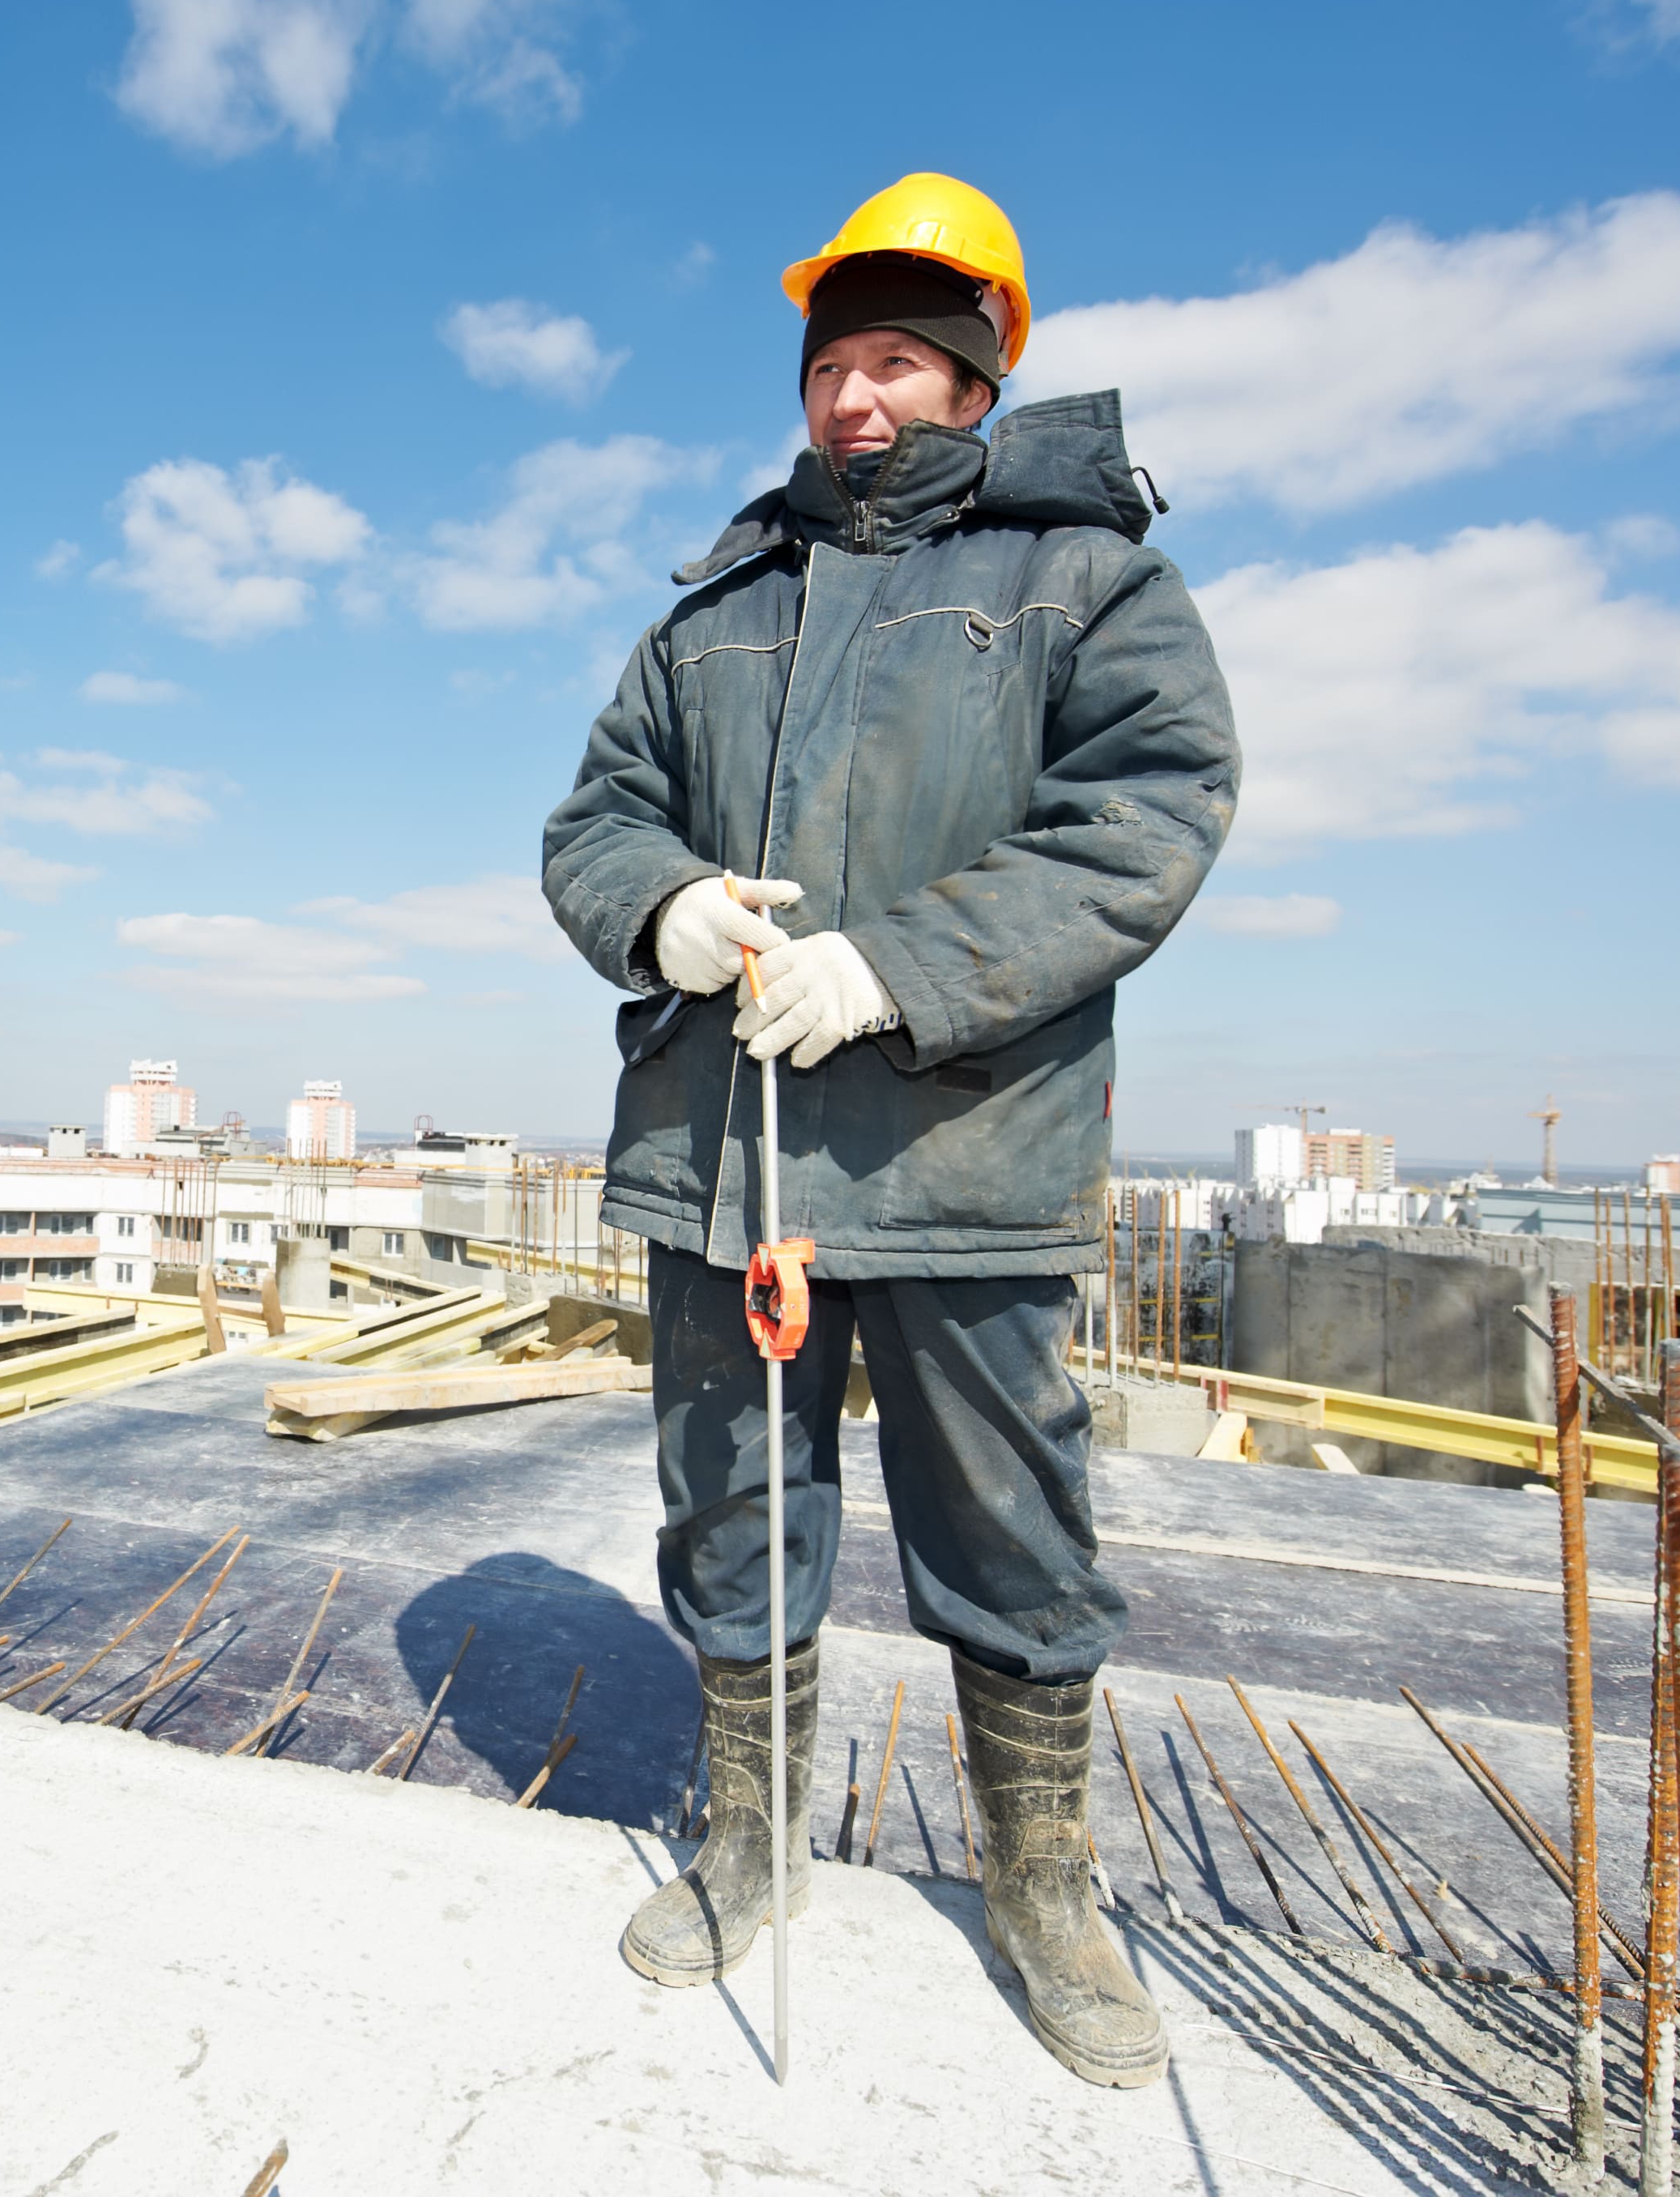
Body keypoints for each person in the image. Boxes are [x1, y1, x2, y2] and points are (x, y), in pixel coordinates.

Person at [539, 173, 1239, 2088]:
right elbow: (593, 820)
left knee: (1012, 1529)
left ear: (975, 377)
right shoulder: (717, 603)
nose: (857, 396)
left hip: (966, 1150)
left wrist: (896, 969)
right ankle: (749, 1834)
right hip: (731, 1159)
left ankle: (1042, 1879)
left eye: (902, 362)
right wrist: (661, 902)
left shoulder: (1085, 577)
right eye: (833, 361)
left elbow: (1146, 820)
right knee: (734, 1504)